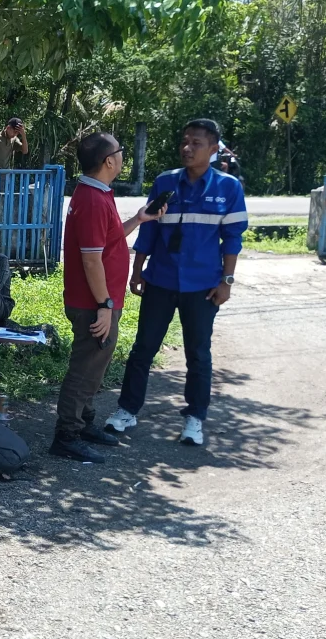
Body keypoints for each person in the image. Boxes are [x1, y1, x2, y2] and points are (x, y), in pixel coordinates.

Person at [104, 118, 248, 446]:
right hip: (161, 279)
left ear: (213, 149)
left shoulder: (228, 188)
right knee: (143, 348)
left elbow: (233, 238)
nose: (187, 148)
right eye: (185, 141)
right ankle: (127, 410)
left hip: (203, 285)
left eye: (196, 143)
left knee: (198, 353)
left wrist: (226, 281)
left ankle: (195, 418)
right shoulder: (165, 182)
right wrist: (137, 269)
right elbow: (150, 228)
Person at [50, 133, 163, 464]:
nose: (123, 156)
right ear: (109, 161)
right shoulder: (93, 200)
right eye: (120, 151)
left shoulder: (97, 193)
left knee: (95, 366)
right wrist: (104, 305)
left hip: (98, 301)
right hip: (94, 304)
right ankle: (67, 435)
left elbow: (109, 240)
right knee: (85, 368)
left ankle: (83, 423)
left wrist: (139, 219)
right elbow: (91, 260)